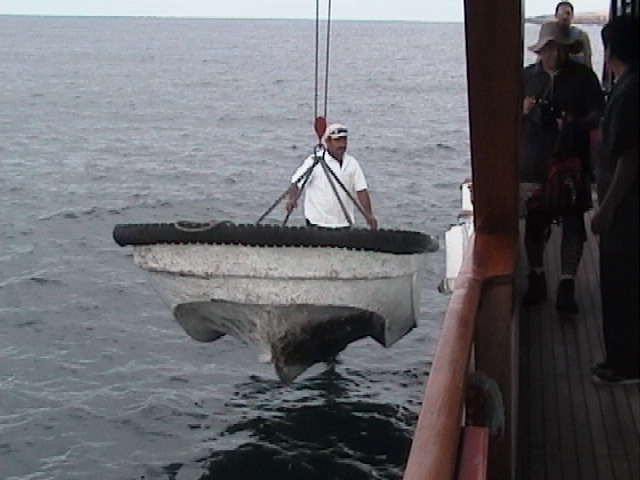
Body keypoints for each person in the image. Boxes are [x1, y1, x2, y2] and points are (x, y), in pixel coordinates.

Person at [520, 21, 604, 314]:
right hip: (534, 163)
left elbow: (597, 115)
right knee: (534, 221)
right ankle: (537, 276)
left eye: (559, 48)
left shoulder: (584, 77)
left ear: (567, 50)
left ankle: (567, 283)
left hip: (572, 162)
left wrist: (570, 123)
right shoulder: (526, 77)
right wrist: (525, 111)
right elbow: (506, 116)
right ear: (541, 50)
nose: (554, 54)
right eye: (549, 48)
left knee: (573, 224)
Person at [590, 15, 639, 384]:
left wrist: (605, 210)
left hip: (626, 209)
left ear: (611, 51)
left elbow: (629, 157)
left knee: (620, 283)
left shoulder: (627, 92)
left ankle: (624, 364)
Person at [286, 123, 378, 230]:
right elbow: (296, 183)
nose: (342, 144)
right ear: (327, 142)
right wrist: (292, 199)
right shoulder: (314, 161)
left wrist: (369, 214)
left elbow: (361, 190)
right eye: (337, 140)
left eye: (344, 140)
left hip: (344, 224)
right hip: (318, 223)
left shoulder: (352, 163)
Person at [554, 1, 593, 68]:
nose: (564, 17)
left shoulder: (581, 36)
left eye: (568, 13)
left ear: (572, 16)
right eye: (561, 13)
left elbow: (588, 63)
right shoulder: (549, 36)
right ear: (556, 16)